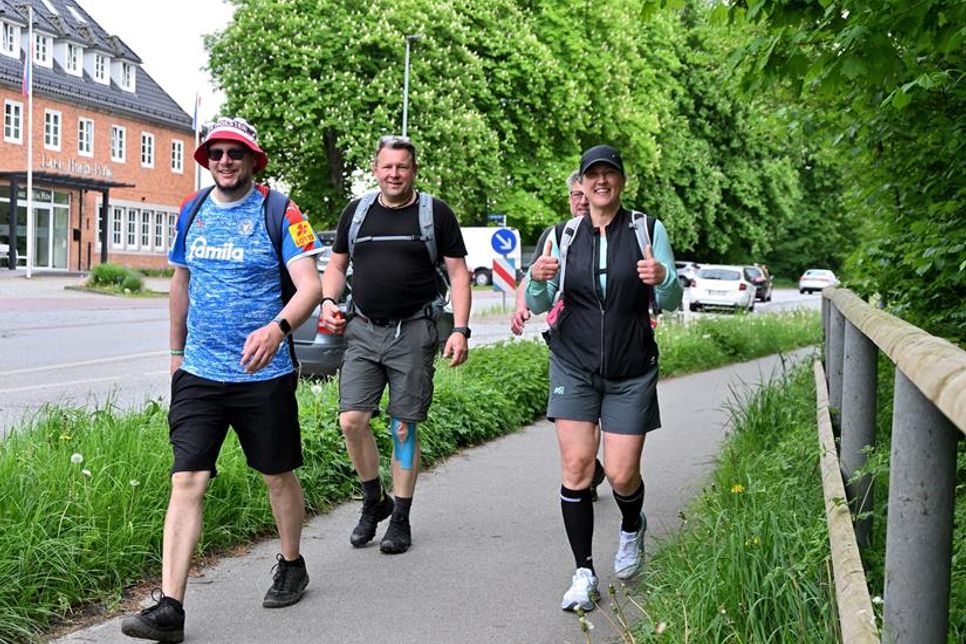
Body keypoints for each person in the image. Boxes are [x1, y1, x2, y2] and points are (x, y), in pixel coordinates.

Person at [121, 117, 323, 643]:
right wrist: (175, 353)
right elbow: (179, 282)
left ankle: (292, 561)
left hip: (264, 375)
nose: (225, 160)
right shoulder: (193, 210)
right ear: (206, 160)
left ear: (254, 160)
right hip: (201, 374)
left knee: (276, 475)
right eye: (217, 152)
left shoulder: (280, 212)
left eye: (236, 153)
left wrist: (277, 331)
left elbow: (311, 287)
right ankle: (170, 608)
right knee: (187, 479)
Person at [526, 145, 682, 613]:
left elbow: (671, 299)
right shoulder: (563, 234)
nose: (600, 182)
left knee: (620, 472)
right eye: (592, 175)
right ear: (583, 183)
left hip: (631, 368)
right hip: (572, 363)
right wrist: (536, 279)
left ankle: (632, 526)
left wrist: (663, 278)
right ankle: (584, 572)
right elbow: (539, 302)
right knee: (576, 468)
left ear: (621, 181)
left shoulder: (646, 229)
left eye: (608, 174)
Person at [321, 135, 471, 555]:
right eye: (387, 167)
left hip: (414, 332)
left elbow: (459, 274)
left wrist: (460, 329)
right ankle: (374, 500)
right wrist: (330, 301)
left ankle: (400, 517)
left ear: (413, 170)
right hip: (363, 330)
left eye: (402, 167)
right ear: (376, 168)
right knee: (351, 419)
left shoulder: (434, 214)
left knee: (403, 426)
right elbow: (336, 266)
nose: (394, 174)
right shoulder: (358, 211)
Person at [512, 171, 606, 502]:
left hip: (607, 341)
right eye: (575, 195)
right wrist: (521, 306)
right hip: (567, 340)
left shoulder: (614, 231)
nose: (581, 201)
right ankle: (584, 467)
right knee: (575, 416)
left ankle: (586, 468)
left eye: (586, 194)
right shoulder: (556, 235)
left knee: (590, 417)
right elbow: (532, 275)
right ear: (569, 198)